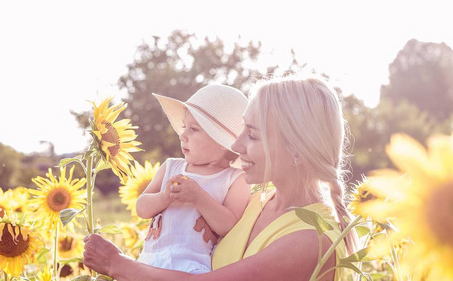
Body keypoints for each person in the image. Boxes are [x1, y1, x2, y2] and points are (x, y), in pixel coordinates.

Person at [84, 74, 358, 281]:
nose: (236, 146)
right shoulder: (255, 200)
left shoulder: (314, 238)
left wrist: (116, 264)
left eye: (251, 134)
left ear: (296, 150)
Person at [134, 83, 250, 274]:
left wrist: (198, 197)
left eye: (194, 129)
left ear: (222, 141)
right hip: (149, 262)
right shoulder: (171, 167)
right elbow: (142, 208)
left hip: (191, 269)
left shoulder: (234, 179)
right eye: (184, 127)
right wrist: (164, 197)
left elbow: (227, 226)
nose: (183, 135)